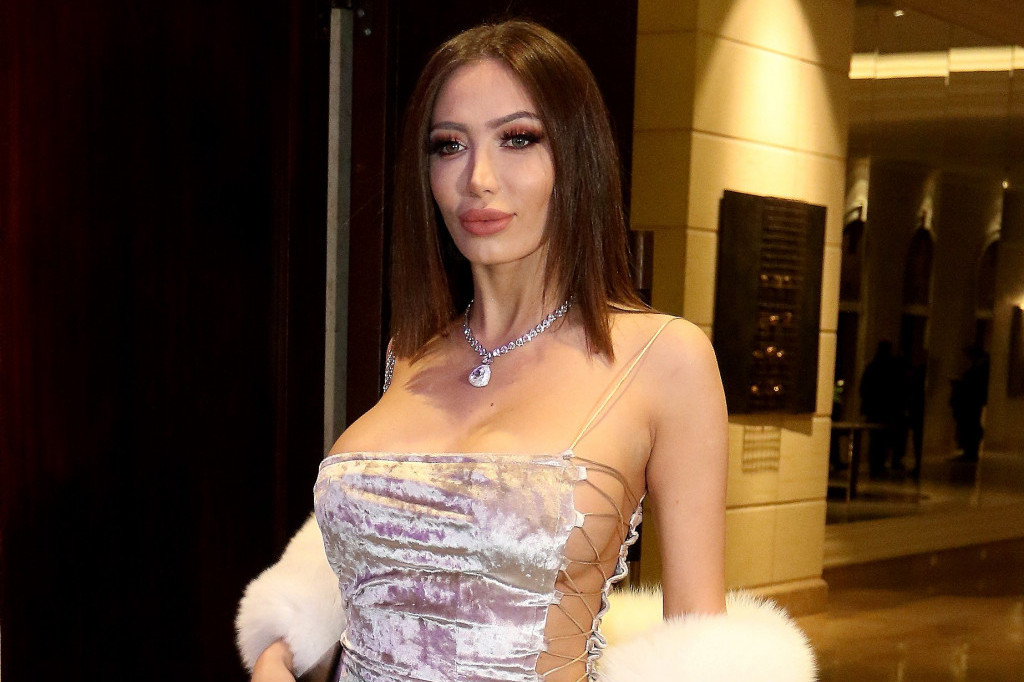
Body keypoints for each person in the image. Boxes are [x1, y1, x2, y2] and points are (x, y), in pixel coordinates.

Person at [235, 20, 815, 682]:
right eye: (449, 146)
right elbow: (378, 567)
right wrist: (278, 652)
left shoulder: (664, 358)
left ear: (576, 156)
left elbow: (699, 649)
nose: (478, 178)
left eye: (518, 139)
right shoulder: (411, 353)